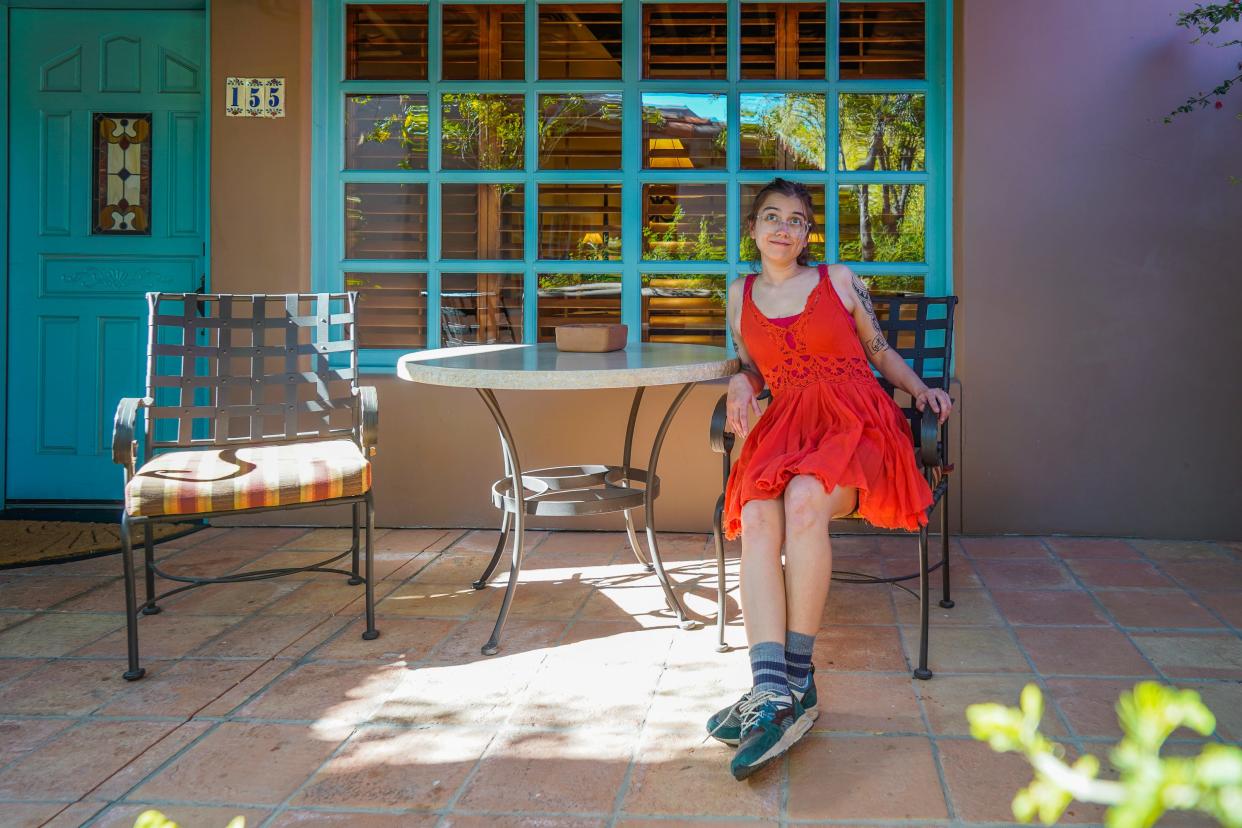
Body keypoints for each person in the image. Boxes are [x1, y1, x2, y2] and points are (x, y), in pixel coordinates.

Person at [707, 178, 952, 780]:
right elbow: (748, 362)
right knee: (760, 514)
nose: (784, 228)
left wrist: (919, 390)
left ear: (807, 233)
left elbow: (879, 349)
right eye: (772, 217)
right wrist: (740, 379)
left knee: (803, 498)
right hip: (788, 425)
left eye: (796, 219)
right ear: (753, 228)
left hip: (855, 422)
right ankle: (776, 689)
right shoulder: (738, 295)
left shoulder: (837, 280)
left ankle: (790, 684)